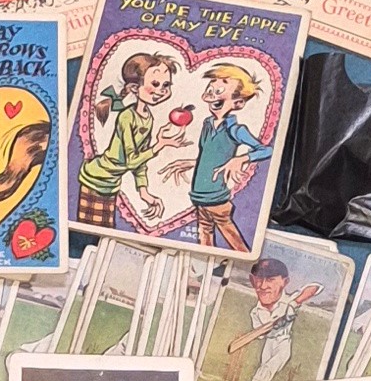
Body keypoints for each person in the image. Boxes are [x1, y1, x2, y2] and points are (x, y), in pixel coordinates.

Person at [77, 51, 188, 228]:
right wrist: (159, 145)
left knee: (104, 227)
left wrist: (144, 192)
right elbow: (131, 160)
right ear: (135, 88)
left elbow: (139, 161)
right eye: (155, 84)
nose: (162, 90)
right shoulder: (126, 116)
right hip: (96, 179)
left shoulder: (148, 118)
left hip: (111, 184)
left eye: (166, 85)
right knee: (94, 229)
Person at [224, 258, 320, 381]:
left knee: (260, 378)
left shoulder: (288, 302)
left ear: (284, 282)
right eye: (259, 280)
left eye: (270, 279)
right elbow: (260, 335)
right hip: (268, 344)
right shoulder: (256, 312)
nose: (263, 285)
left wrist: (294, 304)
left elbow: (316, 287)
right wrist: (270, 325)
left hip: (283, 345)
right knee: (261, 379)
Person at [188, 64, 270, 252]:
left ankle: (246, 263)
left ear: (238, 103)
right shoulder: (207, 124)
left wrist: (240, 159)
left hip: (217, 199)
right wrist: (190, 163)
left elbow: (266, 150)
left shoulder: (235, 130)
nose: (213, 92)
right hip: (199, 196)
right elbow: (209, 155)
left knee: (234, 242)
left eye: (220, 89)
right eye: (212, 87)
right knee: (204, 238)